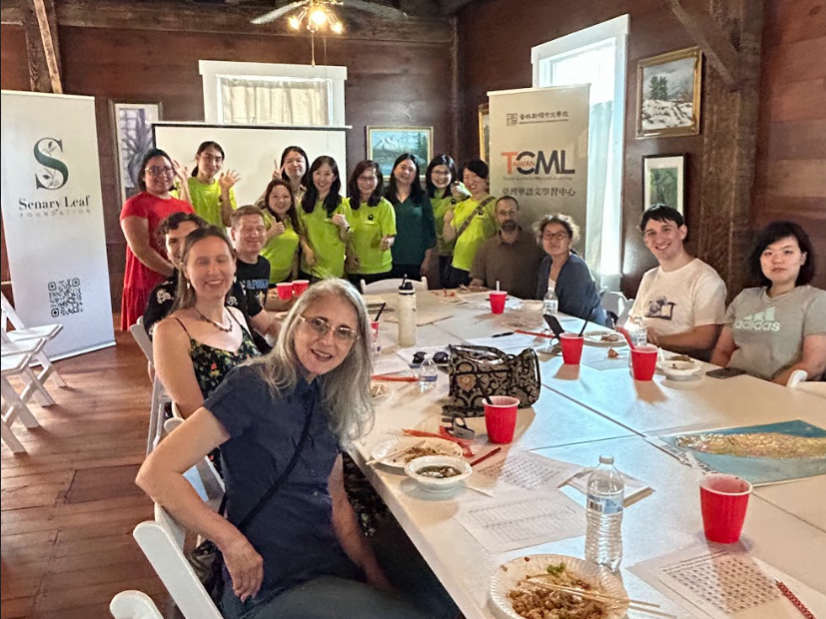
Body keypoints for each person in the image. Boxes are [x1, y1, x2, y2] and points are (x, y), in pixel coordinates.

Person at [136, 280, 455, 619]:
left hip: (322, 561)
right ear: (295, 322)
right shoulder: (253, 385)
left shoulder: (328, 395)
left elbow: (338, 503)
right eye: (318, 323)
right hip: (269, 585)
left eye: (343, 332)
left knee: (445, 594)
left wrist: (375, 577)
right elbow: (155, 474)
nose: (327, 340)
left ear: (355, 345)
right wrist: (232, 542)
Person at [152, 227, 262, 418]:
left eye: (221, 260)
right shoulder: (171, 331)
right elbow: (195, 418)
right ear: (186, 270)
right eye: (202, 262)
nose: (213, 271)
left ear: (234, 264)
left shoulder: (236, 316)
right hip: (221, 435)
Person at [711, 221, 826, 384]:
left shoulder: (817, 300)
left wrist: (769, 391)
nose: (777, 260)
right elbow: (722, 351)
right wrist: (716, 382)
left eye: (787, 252)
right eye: (768, 253)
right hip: (731, 384)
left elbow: (815, 364)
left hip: (780, 390)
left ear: (802, 258)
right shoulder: (744, 297)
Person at [144, 216, 280, 349]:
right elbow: (161, 352)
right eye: (173, 241)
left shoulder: (233, 285)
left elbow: (267, 327)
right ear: (167, 252)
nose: (182, 246)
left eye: (191, 237)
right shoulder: (163, 296)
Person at [628, 204, 726, 358]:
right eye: (651, 233)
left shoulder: (705, 278)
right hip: (645, 357)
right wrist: (638, 333)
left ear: (682, 232)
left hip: (685, 365)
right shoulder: (649, 277)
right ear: (646, 241)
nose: (659, 239)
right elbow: (632, 322)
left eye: (666, 230)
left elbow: (705, 339)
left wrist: (656, 340)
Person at [120, 148, 193, 330]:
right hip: (148, 282)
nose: (162, 174)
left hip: (181, 282)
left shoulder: (182, 205)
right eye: (154, 170)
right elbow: (142, 250)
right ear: (143, 176)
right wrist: (175, 273)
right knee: (150, 338)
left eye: (167, 169)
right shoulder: (135, 204)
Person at [535, 214, 610, 326]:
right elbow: (540, 301)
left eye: (560, 235)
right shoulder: (546, 263)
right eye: (548, 235)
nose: (553, 240)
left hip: (584, 327)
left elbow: (574, 312)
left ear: (570, 240)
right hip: (555, 324)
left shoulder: (576, 268)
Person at [469, 196, 544, 301]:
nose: (508, 217)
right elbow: (477, 281)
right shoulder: (486, 247)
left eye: (512, 212)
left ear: (519, 214)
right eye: (502, 213)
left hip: (528, 305)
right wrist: (474, 290)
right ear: (496, 217)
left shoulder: (536, 243)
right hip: (496, 305)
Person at [442, 159, 496, 288]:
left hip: (480, 268)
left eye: (475, 176)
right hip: (457, 265)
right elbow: (448, 238)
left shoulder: (494, 204)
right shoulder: (461, 205)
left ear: (485, 178)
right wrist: (447, 222)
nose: (470, 181)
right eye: (466, 177)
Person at [298, 156, 352, 281]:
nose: (322, 179)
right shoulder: (304, 203)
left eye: (327, 174)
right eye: (318, 173)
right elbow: (301, 232)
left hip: (332, 269)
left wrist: (344, 225)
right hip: (309, 266)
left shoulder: (342, 203)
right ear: (312, 175)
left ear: (334, 177)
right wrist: (306, 250)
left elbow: (346, 238)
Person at [385, 154, 435, 281]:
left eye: (411, 169)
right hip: (386, 259)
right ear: (394, 169)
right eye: (403, 167)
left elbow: (429, 231)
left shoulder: (422, 197)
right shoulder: (383, 196)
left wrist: (427, 259)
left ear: (416, 174)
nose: (406, 172)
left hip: (415, 259)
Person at [346, 160, 396, 286]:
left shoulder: (385, 206)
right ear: (356, 180)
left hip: (380, 268)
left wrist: (387, 243)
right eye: (363, 178)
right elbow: (342, 236)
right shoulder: (345, 205)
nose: (367, 183)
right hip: (354, 267)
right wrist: (349, 254)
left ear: (378, 181)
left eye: (371, 178)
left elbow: (390, 236)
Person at [187, 141, 240, 227]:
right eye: (208, 158)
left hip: (218, 235)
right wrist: (183, 183)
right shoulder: (184, 185)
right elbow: (183, 218)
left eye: (218, 160)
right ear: (197, 158)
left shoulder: (225, 186)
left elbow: (229, 222)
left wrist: (225, 192)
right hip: (194, 235)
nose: (213, 164)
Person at [425, 155, 459, 286]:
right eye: (437, 172)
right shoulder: (424, 196)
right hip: (430, 253)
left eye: (446, 173)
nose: (441, 177)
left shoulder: (458, 194)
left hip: (453, 253)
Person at [260, 178, 300, 285]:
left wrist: (294, 276)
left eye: (285, 196)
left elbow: (294, 252)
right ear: (267, 199)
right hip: (263, 279)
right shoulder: (262, 217)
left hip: (285, 279)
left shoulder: (292, 219)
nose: (281, 201)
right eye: (275, 196)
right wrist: (270, 233)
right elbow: (249, 247)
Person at [256, 146, 310, 210]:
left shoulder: (312, 188)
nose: (294, 164)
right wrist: (274, 184)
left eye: (299, 160)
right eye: (289, 161)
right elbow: (257, 208)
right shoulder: (279, 189)